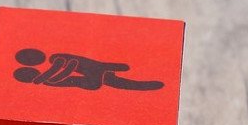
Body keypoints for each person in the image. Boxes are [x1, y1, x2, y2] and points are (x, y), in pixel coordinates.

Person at [14, 48, 164, 91]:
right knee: (125, 83)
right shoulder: (48, 78)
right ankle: (151, 85)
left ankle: (153, 85)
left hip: (95, 71)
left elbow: (77, 63)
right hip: (92, 80)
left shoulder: (55, 58)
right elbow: (70, 77)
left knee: (125, 81)